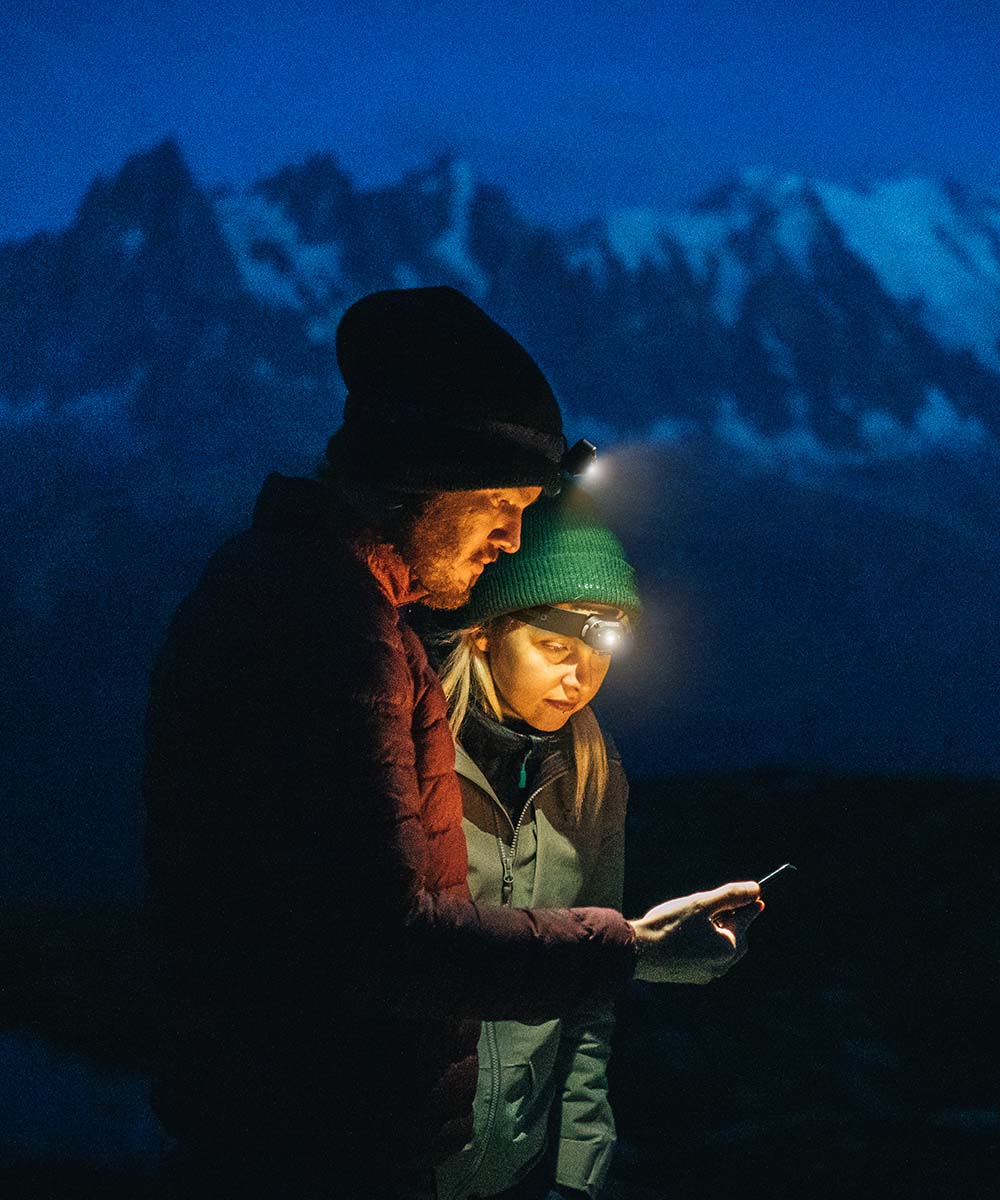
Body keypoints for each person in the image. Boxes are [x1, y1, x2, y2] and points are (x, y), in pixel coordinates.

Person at [142, 285, 762, 1200]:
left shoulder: (318, 601)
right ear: (424, 481)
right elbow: (381, 940)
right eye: (502, 503)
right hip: (312, 1154)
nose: (513, 539)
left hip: (304, 1133)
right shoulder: (325, 630)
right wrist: (630, 945)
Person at [428, 485, 640, 1200]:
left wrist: (579, 1174)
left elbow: (590, 1000)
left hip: (518, 1172)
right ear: (484, 629)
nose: (580, 677)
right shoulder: (413, 763)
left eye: (600, 652)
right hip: (406, 1164)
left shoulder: (593, 778)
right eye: (553, 646)